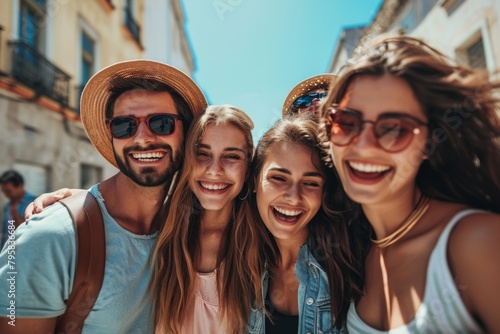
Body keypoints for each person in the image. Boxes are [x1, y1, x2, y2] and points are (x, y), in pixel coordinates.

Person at [0, 59, 207, 333]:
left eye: (162, 123)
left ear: (186, 132)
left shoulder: (185, 227)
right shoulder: (47, 237)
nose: (143, 138)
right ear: (111, 133)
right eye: (125, 126)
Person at [319, 36, 500, 332]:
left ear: (429, 143)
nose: (363, 146)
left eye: (394, 129)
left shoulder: (476, 241)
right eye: (346, 122)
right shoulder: (354, 253)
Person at [246, 114, 364, 333]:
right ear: (254, 181)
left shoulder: (351, 262)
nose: (293, 197)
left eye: (310, 183)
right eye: (279, 178)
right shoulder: (239, 266)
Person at [151, 105, 263, 334]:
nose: (214, 170)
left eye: (231, 156)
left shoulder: (264, 241)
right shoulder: (158, 229)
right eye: (202, 154)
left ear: (248, 168)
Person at [0, 170, 37, 249]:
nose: (6, 194)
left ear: (20, 186)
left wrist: (15, 214)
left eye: (9, 191)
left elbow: (31, 231)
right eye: (4, 191)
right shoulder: (7, 206)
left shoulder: (34, 203)